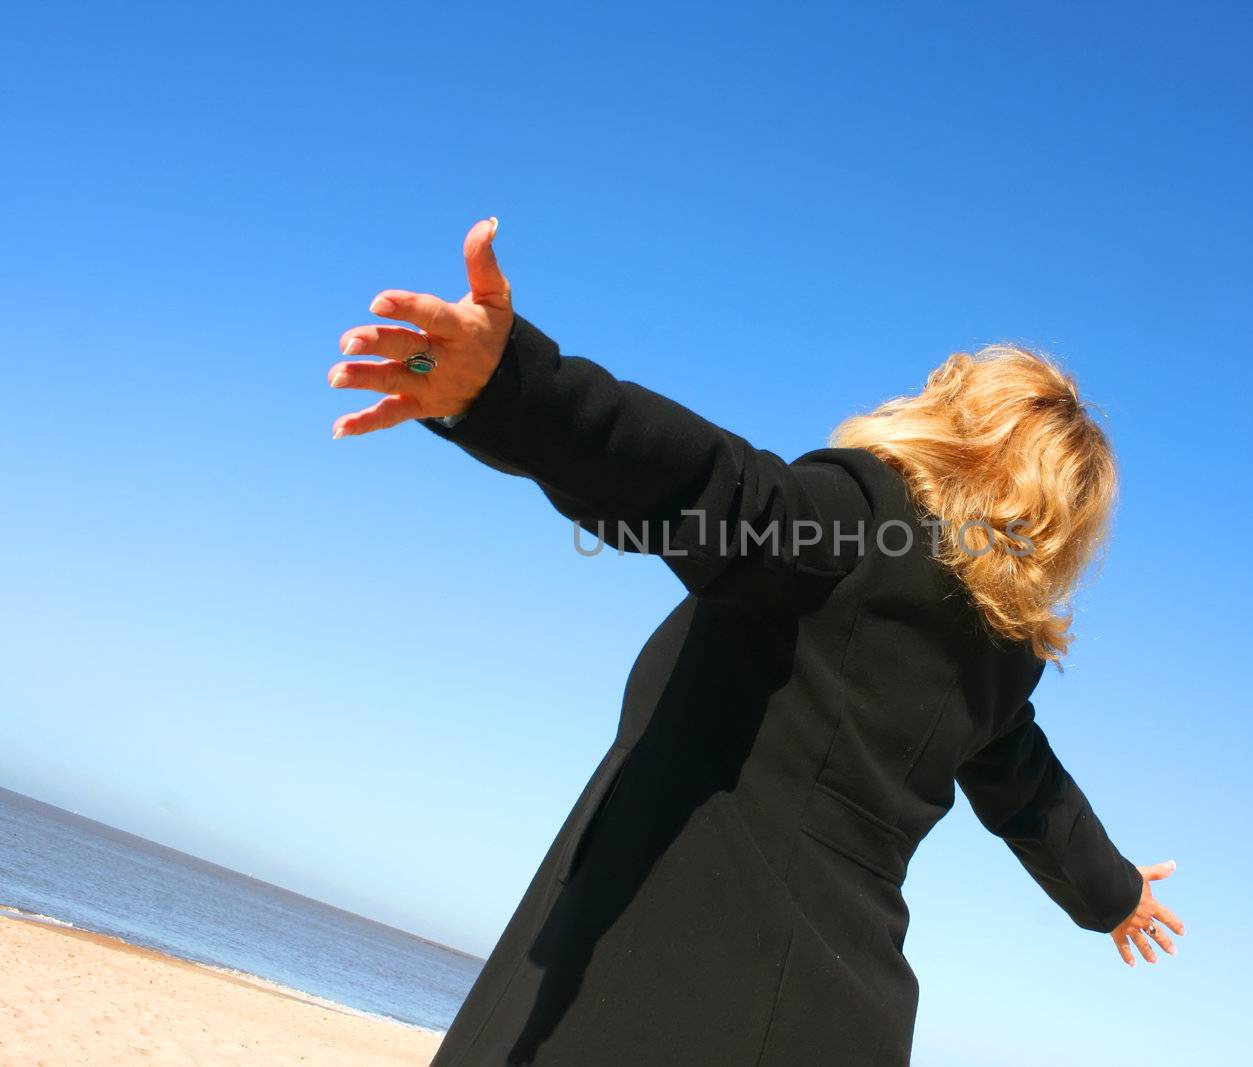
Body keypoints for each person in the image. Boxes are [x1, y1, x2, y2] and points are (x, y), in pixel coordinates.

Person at [328, 219, 1184, 1066]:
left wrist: (512, 389)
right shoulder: (1004, 653)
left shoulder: (864, 516)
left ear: (956, 421)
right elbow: (1031, 791)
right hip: (840, 1020)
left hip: (669, 991)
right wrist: (1115, 893)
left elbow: (708, 482)